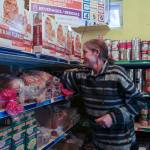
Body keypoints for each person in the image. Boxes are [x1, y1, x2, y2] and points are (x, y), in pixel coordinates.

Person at [61, 39, 145, 150]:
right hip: (98, 141)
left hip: (121, 143)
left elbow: (139, 101)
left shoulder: (116, 73)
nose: (82, 56)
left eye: (85, 52)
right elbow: (62, 77)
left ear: (96, 52)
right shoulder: (83, 75)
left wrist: (113, 117)